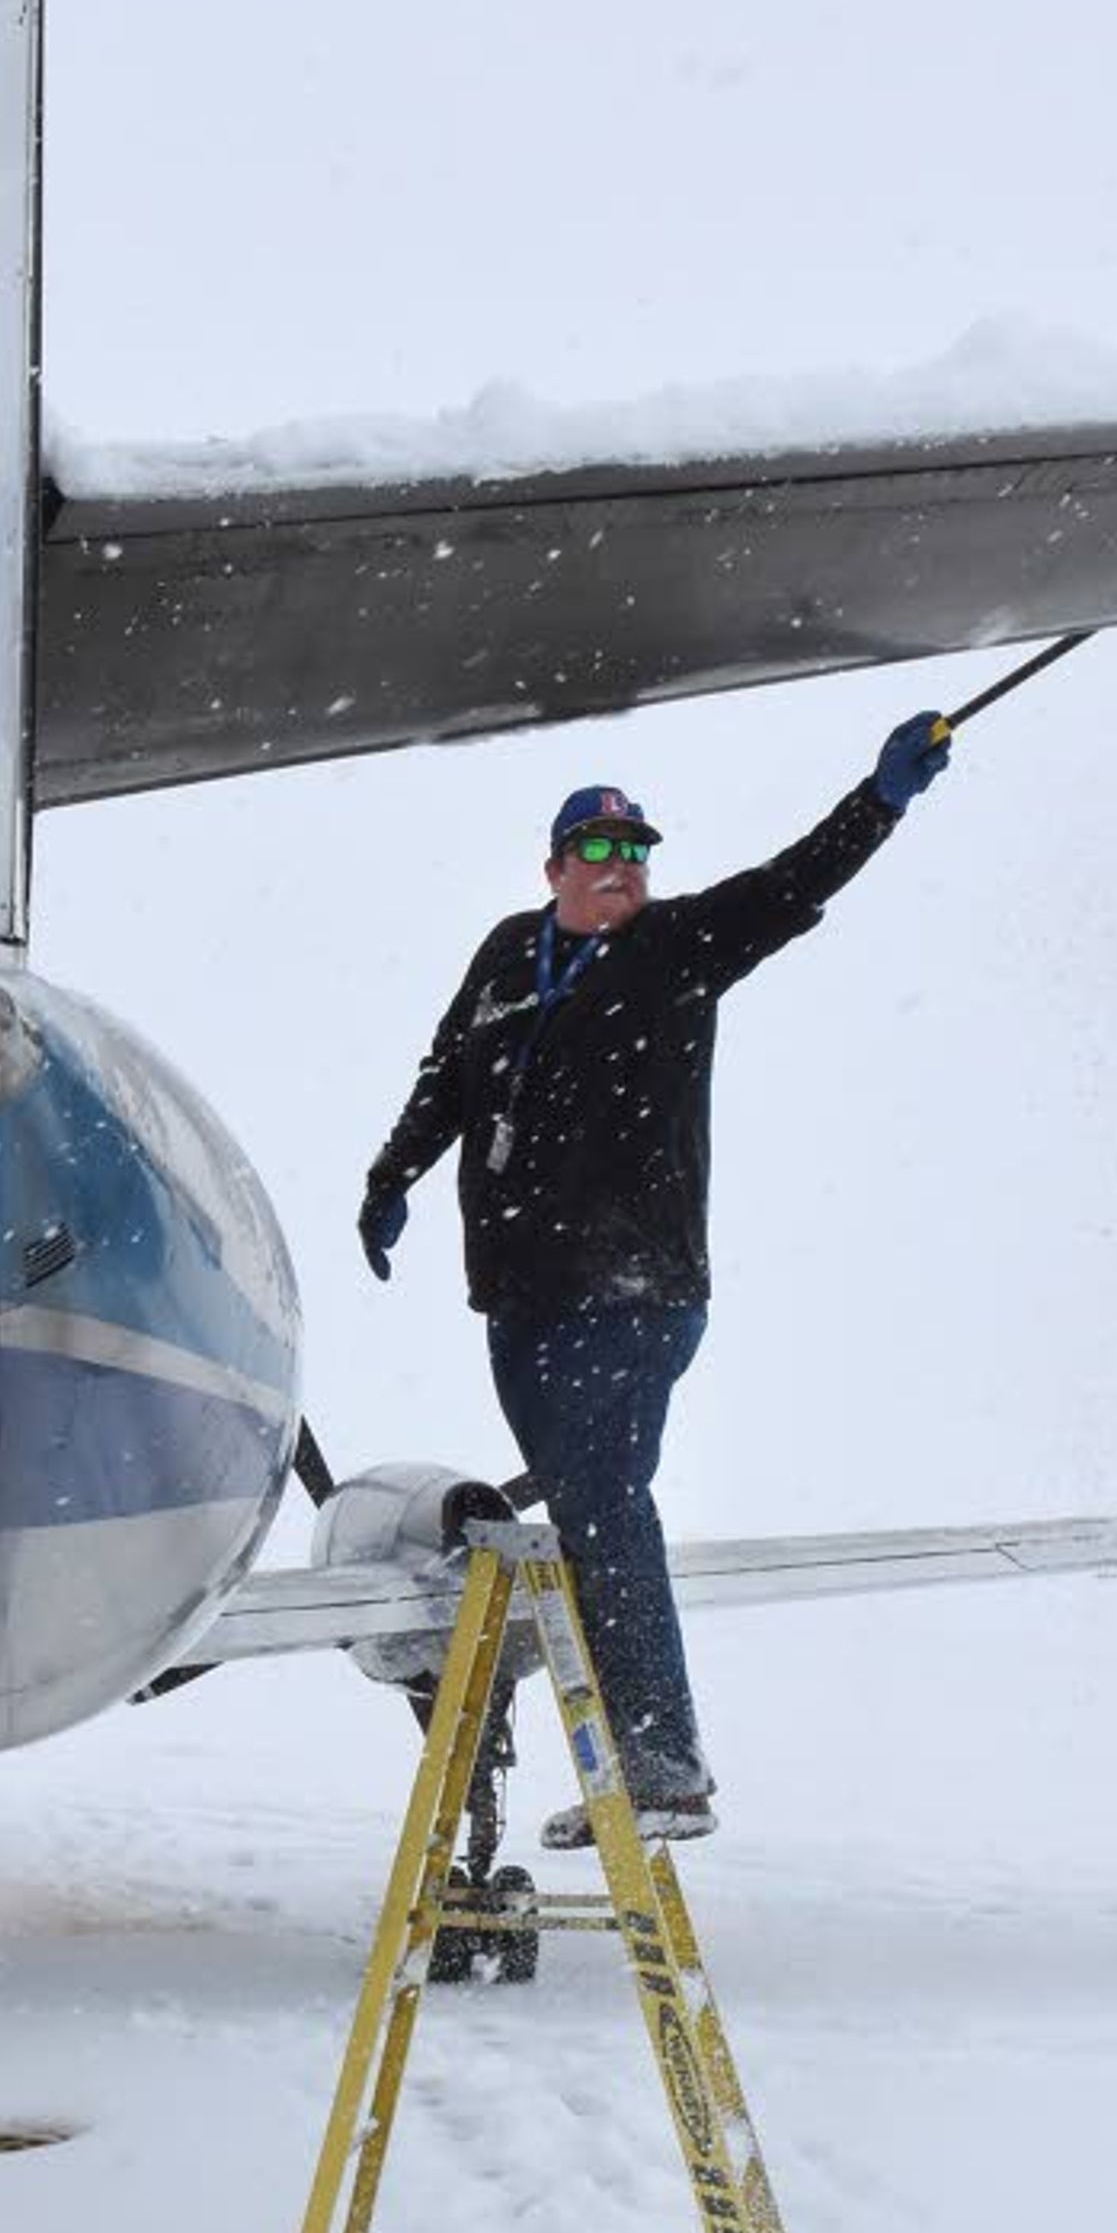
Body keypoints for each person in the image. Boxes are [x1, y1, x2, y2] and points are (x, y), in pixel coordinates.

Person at [357, 712, 955, 1847]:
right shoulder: (504, 954)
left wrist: (878, 801)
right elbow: (447, 1076)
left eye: (636, 854)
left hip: (634, 1291)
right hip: (520, 1296)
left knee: (605, 1504)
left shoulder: (674, 949)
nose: (621, 870)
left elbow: (788, 887)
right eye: (599, 853)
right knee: (590, 1514)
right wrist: (391, 1175)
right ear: (555, 868)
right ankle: (632, 1759)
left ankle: (663, 1762)